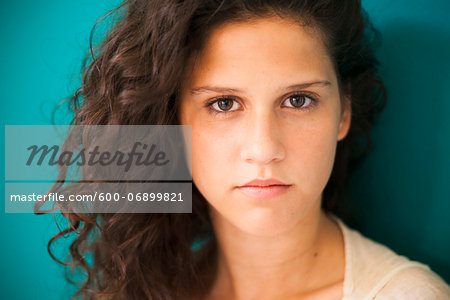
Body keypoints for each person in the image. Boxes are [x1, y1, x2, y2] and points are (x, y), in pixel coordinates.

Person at [39, 0, 450, 299]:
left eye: (298, 100)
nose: (263, 149)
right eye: (224, 104)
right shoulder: (142, 289)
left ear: (343, 112)